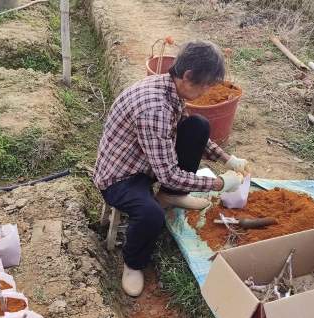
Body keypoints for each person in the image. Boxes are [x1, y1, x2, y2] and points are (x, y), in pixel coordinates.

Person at [94, 40, 249, 297]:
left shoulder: (171, 89)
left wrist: (228, 160)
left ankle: (171, 195)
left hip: (144, 163)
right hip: (120, 177)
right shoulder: (155, 107)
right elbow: (168, 173)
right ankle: (133, 264)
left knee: (198, 125)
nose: (208, 91)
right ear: (188, 76)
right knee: (151, 215)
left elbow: (183, 129)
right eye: (206, 84)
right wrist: (219, 184)